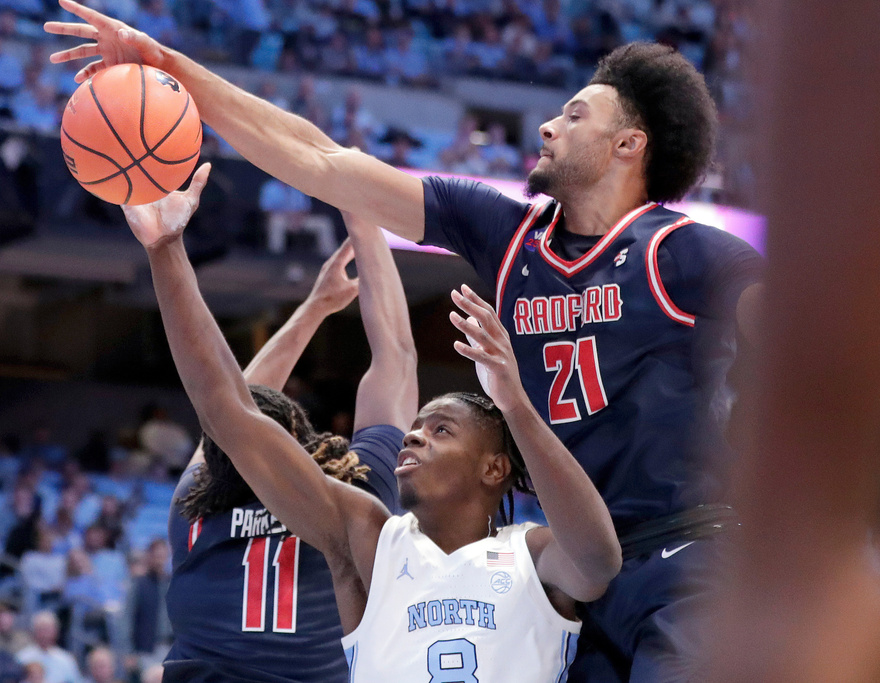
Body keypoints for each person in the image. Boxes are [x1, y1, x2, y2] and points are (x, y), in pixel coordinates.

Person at [44, 13, 761, 679]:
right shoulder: (508, 236)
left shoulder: (689, 253)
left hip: (685, 553)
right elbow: (320, 159)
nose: (547, 126)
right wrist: (172, 68)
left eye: (575, 115)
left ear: (628, 145)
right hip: (576, 574)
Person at [119, 163, 619, 681]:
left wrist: (514, 403)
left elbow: (599, 561)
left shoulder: (528, 552)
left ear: (494, 468)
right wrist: (166, 252)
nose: (414, 434)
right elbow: (228, 409)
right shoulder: (368, 531)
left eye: (440, 429)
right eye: (418, 425)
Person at [152, 204, 416, 679]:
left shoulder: (193, 511)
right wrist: (363, 214)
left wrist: (313, 309)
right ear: (299, 439)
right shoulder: (357, 500)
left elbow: (227, 410)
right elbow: (395, 355)